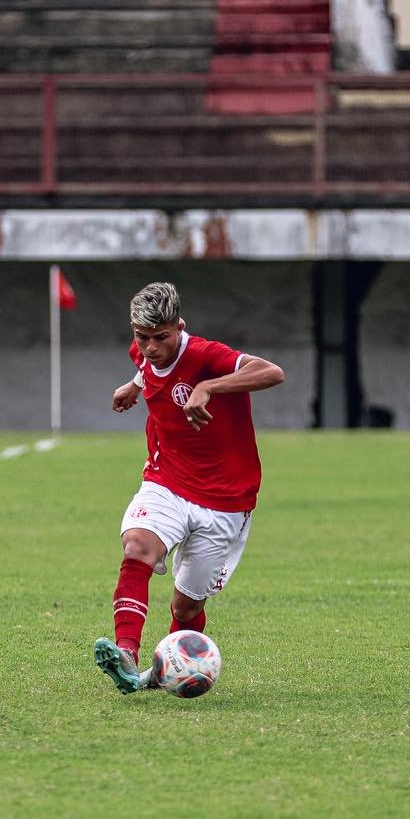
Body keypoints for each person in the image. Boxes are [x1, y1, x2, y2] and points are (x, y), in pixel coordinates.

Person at [93, 282, 285, 693]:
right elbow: (149, 369)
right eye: (141, 337)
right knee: (138, 546)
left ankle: (164, 672)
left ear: (180, 326)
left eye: (161, 337)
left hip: (225, 500)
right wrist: (135, 386)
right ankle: (127, 654)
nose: (150, 347)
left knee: (187, 604)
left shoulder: (205, 355)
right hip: (168, 479)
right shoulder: (143, 352)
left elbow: (272, 372)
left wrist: (209, 386)